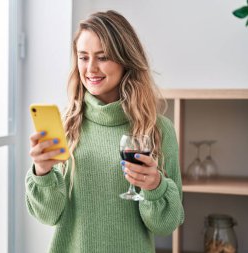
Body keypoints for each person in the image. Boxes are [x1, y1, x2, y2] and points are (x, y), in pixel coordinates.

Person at [25, 10, 184, 253]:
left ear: (125, 59)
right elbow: (48, 215)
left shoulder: (158, 130)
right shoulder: (66, 126)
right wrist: (42, 171)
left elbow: (165, 225)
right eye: (83, 57)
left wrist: (155, 186)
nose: (91, 68)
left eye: (103, 57)